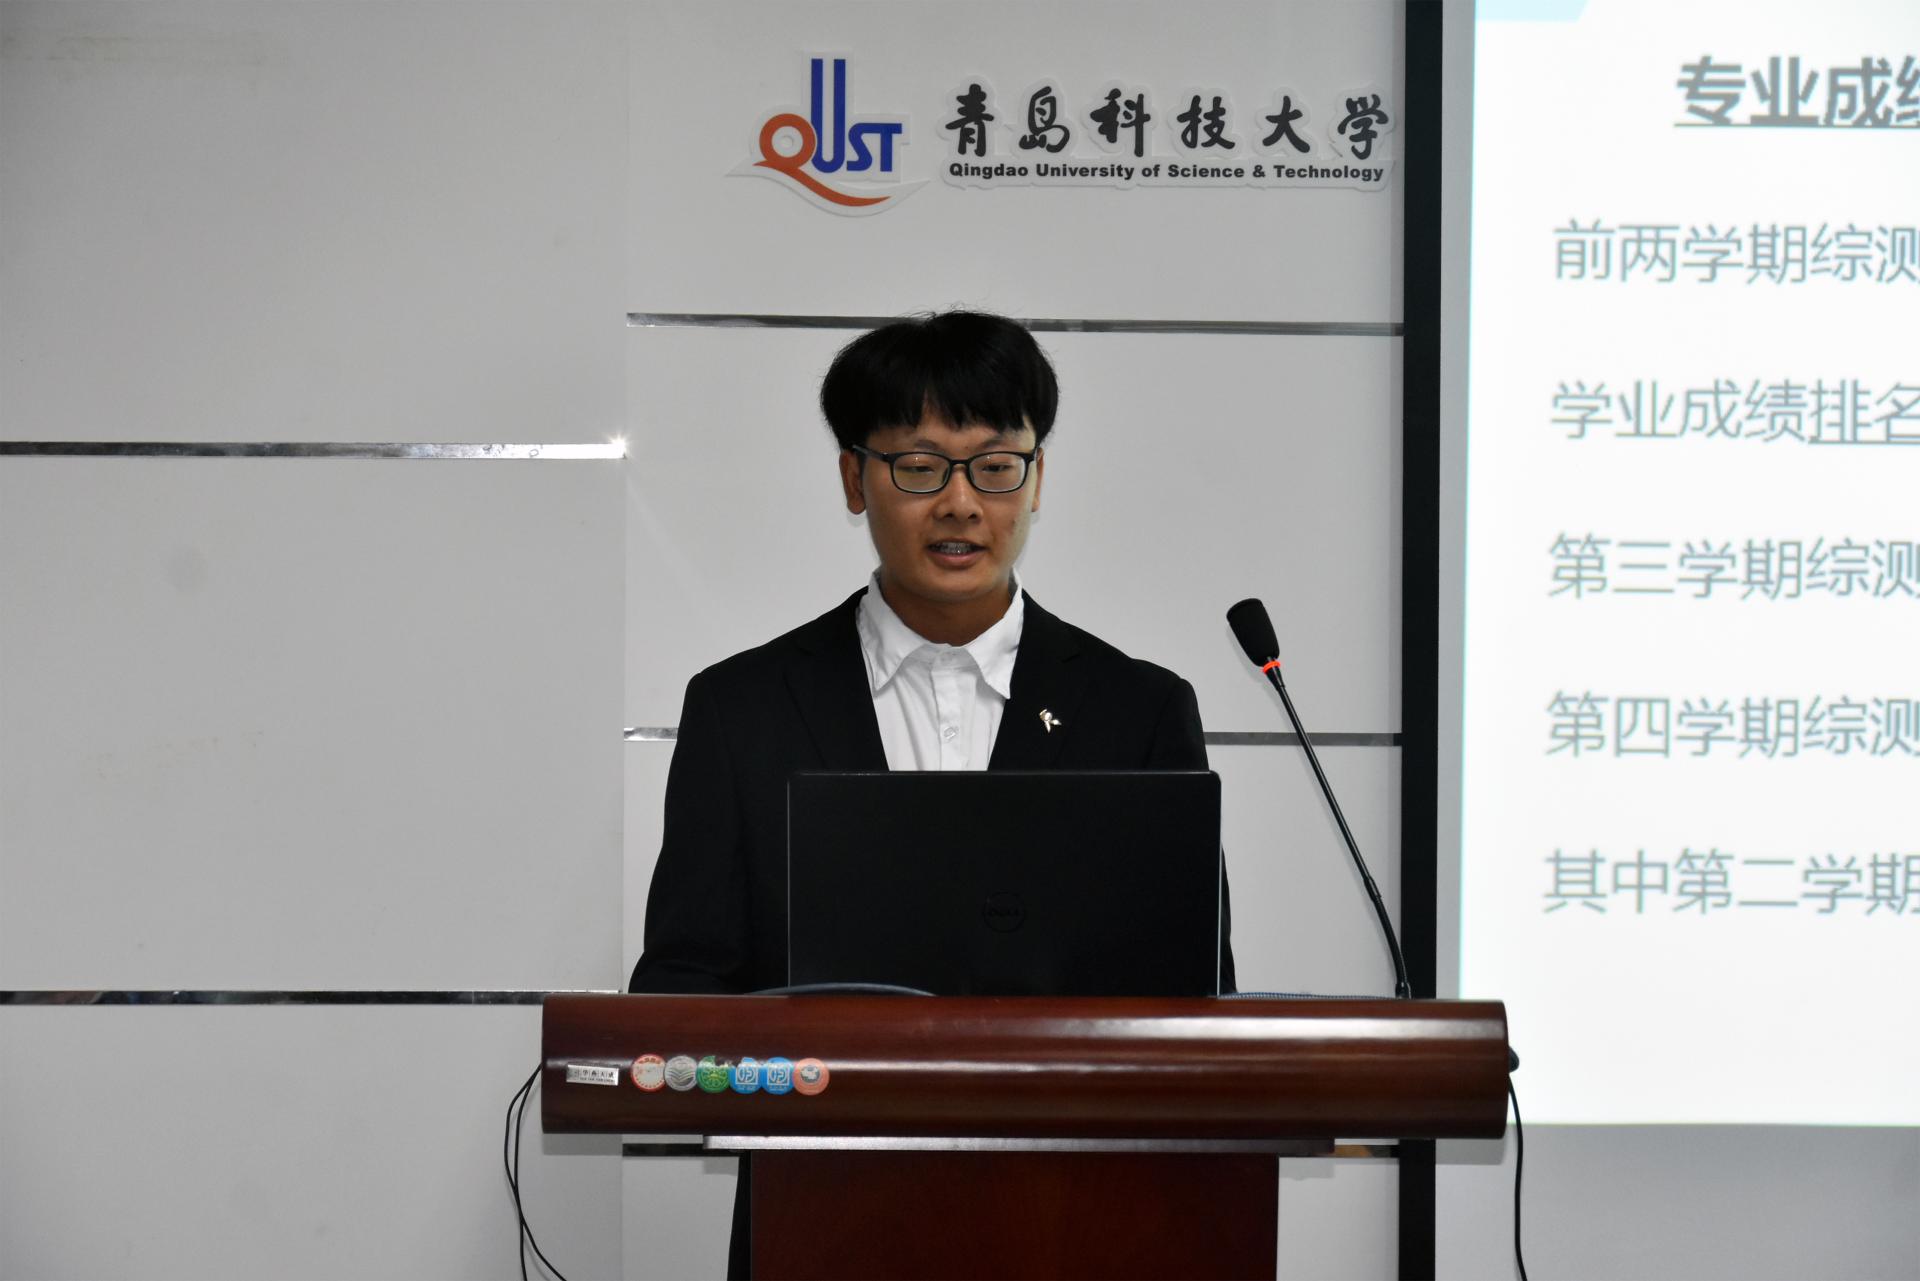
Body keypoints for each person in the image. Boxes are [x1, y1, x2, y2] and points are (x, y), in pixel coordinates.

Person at [628, 308, 1234, 998]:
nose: (961, 503)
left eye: (996, 467)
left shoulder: (1140, 713)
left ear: (1037, 479)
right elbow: (683, 987)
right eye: (920, 468)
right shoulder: (742, 711)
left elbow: (1195, 992)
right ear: (854, 479)